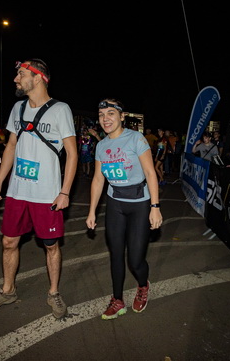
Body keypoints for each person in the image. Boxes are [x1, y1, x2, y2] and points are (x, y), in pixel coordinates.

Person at [0, 59, 77, 319]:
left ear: (38, 77)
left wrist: (65, 192)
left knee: (50, 245)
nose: (16, 79)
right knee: (8, 241)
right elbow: (11, 146)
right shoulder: (18, 108)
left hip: (47, 193)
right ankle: (8, 290)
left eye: (21, 74)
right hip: (17, 191)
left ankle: (53, 293)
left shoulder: (60, 109)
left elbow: (72, 152)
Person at [86, 99, 162, 319]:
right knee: (116, 255)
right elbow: (98, 179)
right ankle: (117, 299)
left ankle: (143, 285)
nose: (105, 119)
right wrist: (91, 211)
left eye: (111, 113)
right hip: (115, 204)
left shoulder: (136, 138)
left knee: (135, 260)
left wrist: (155, 206)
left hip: (139, 204)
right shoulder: (101, 146)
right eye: (101, 115)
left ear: (121, 116)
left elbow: (150, 173)